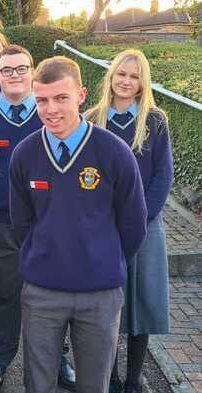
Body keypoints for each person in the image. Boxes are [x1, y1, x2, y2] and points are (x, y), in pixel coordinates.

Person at [9, 56, 147, 393]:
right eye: (41, 100)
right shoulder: (25, 154)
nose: (50, 109)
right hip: (42, 291)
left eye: (61, 98)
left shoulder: (114, 152)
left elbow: (133, 225)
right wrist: (46, 255)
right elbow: (21, 223)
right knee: (38, 383)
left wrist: (101, 258)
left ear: (82, 95)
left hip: (99, 293)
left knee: (93, 384)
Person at [0, 44, 75, 389]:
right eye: (7, 70)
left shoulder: (52, 117)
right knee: (3, 297)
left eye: (21, 68)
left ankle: (59, 358)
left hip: (49, 224)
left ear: (32, 72)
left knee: (57, 294)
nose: (15, 75)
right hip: (0, 226)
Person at [85, 49, 173, 393]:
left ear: (142, 83)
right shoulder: (92, 118)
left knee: (142, 304)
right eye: (121, 74)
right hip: (103, 229)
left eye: (134, 76)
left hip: (146, 229)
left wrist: (139, 219)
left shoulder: (155, 120)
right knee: (104, 308)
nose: (126, 81)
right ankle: (109, 378)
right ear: (110, 76)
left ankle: (134, 379)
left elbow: (163, 176)